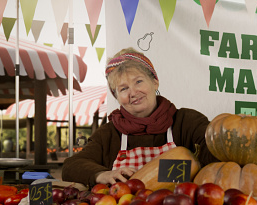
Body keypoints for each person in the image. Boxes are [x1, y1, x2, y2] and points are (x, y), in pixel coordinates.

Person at [62, 48, 218, 186]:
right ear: (116, 96)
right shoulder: (108, 134)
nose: (133, 93)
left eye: (138, 81)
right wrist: (101, 174)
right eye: (123, 88)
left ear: (155, 82)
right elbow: (71, 166)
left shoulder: (186, 121)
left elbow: (216, 150)